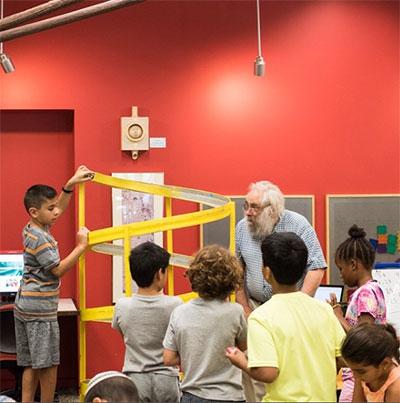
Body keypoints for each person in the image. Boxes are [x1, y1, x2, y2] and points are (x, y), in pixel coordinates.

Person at [226, 232, 345, 402]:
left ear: (266, 272)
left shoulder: (261, 317)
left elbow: (267, 372)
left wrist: (240, 360)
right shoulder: (324, 310)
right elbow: (344, 358)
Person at [235, 181, 327, 401]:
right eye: (245, 205)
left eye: (254, 207)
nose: (248, 213)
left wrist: (300, 303)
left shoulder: (298, 224)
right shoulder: (241, 227)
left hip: (292, 303)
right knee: (257, 368)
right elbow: (237, 271)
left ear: (273, 209)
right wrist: (245, 307)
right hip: (256, 308)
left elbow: (317, 265)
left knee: (290, 364)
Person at [13, 165, 94, 403]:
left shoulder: (33, 227)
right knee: (48, 363)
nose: (56, 212)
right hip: (39, 310)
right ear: (34, 211)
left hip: (25, 305)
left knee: (31, 363)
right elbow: (57, 269)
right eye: (50, 208)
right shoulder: (41, 239)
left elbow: (59, 206)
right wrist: (81, 247)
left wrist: (69, 185)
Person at [163, 245, 247, 403]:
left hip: (192, 394)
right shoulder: (235, 312)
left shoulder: (180, 312)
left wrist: (194, 353)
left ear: (194, 276)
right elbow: (243, 347)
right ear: (232, 279)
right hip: (229, 395)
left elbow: (168, 358)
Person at [112, 241, 183, 403]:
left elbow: (123, 332)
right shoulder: (175, 304)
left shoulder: (122, 305)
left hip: (135, 379)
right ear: (159, 273)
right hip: (167, 379)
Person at [328, 224, 386, 402]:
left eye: (341, 268)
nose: (341, 275)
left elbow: (365, 336)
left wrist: (338, 316)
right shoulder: (375, 289)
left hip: (358, 376)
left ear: (353, 264)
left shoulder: (366, 293)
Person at [341, 323, 400, 402]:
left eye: (360, 371)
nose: (355, 376)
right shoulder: (364, 375)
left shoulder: (396, 387)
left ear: (385, 364)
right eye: (352, 370)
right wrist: (358, 381)